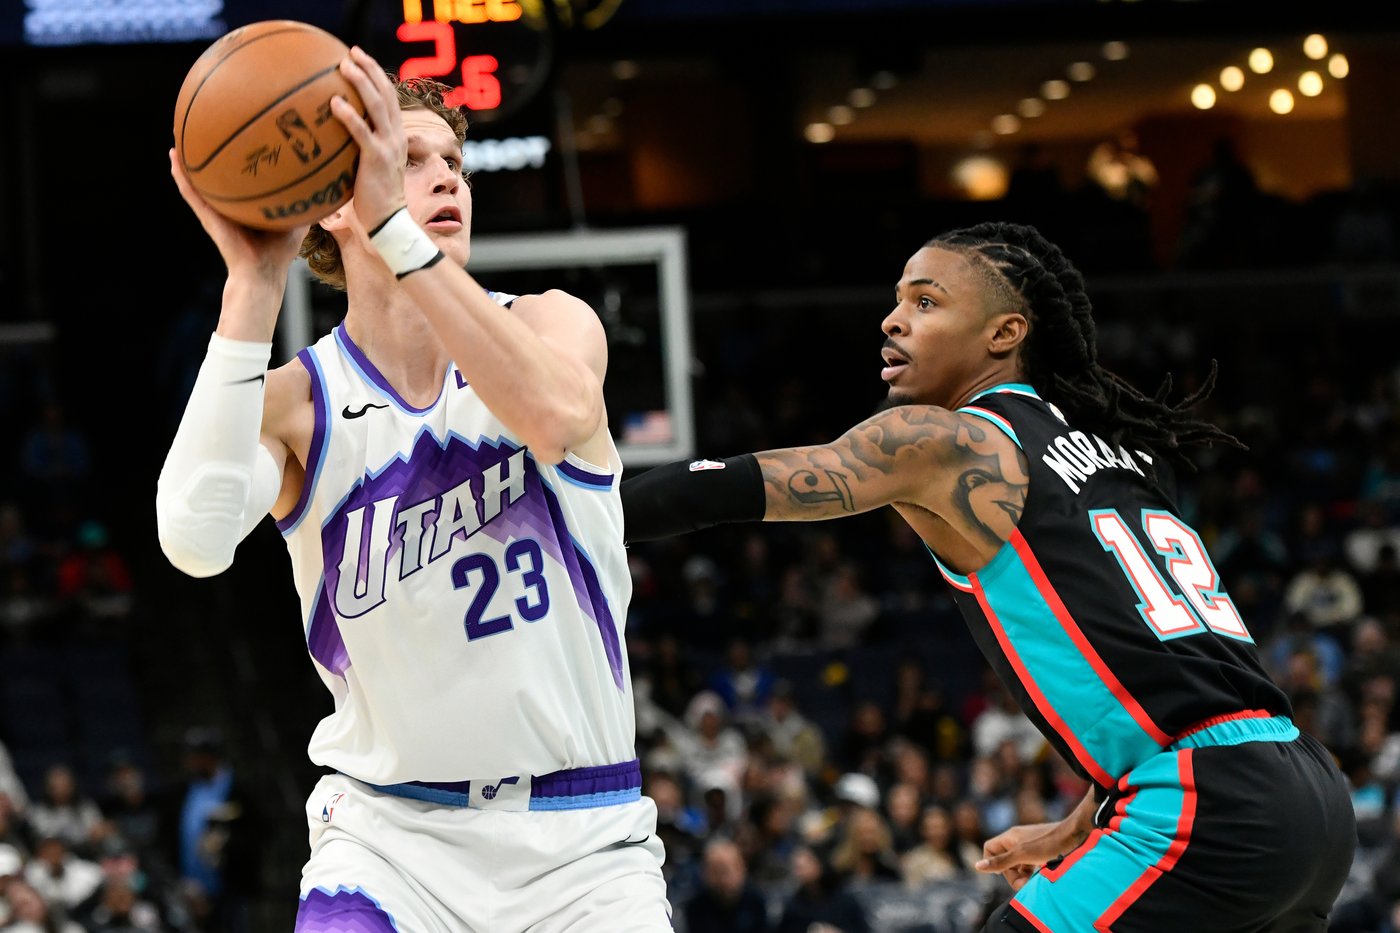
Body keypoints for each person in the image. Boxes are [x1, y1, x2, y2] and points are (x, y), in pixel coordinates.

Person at [621, 222, 1355, 931]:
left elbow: (723, 487)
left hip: (1208, 805)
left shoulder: (953, 441)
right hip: (1306, 792)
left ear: (1004, 333)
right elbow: (1184, 682)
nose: (893, 320)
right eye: (898, 301)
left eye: (925, 301)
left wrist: (580, 516)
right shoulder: (1116, 454)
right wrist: (1082, 822)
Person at [156, 50, 669, 931]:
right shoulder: (299, 404)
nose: (446, 178)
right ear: (334, 204)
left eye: (453, 162)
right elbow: (192, 543)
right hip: (390, 839)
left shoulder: (550, 321)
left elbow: (554, 416)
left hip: (584, 841)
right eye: (407, 158)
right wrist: (254, 283)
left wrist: (397, 228)